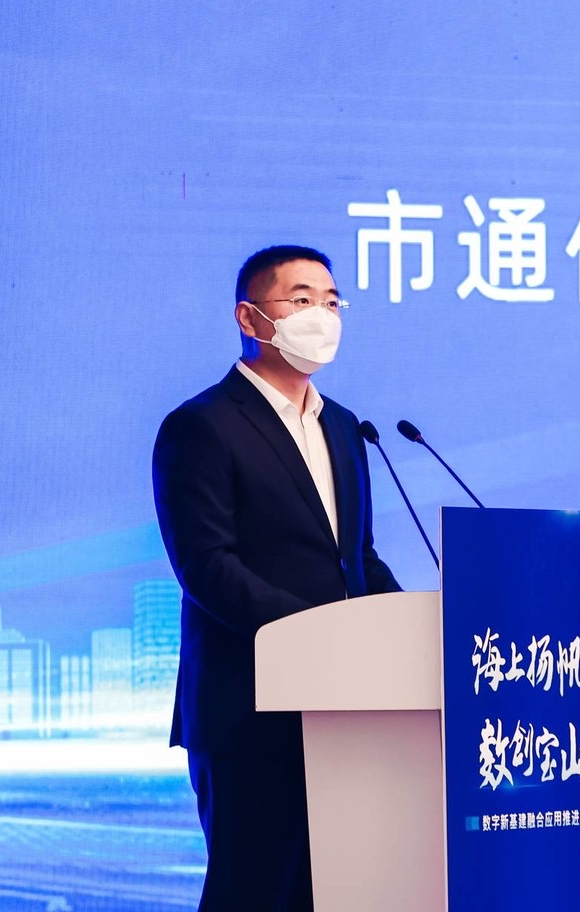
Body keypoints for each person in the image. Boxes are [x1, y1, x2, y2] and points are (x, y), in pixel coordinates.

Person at [152, 244, 401, 911]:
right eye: (301, 300)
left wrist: (406, 627)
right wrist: (319, 636)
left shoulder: (344, 427)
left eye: (332, 301)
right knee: (255, 893)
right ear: (249, 317)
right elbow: (207, 566)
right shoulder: (200, 426)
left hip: (347, 710)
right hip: (250, 708)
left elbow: (358, 557)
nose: (322, 314)